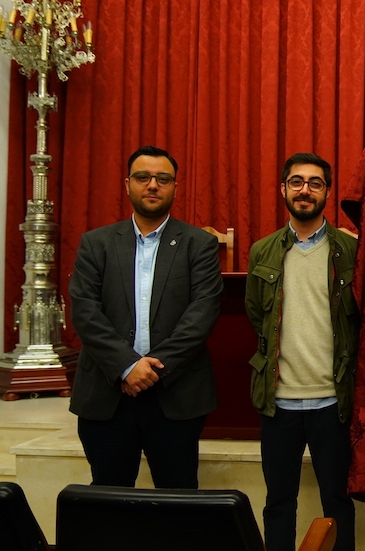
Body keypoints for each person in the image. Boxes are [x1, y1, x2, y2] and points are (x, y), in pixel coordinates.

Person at [68, 145, 223, 489]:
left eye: (162, 178)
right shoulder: (97, 244)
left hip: (175, 394)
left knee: (177, 502)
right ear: (128, 184)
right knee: (108, 501)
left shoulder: (199, 244)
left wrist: (152, 369)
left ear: (175, 187)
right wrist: (126, 365)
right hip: (108, 394)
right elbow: (85, 309)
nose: (152, 185)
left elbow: (203, 311)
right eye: (143, 177)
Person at [245, 153, 359, 551]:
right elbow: (256, 315)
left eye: (314, 183)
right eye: (296, 182)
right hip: (279, 403)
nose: (304, 190)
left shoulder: (349, 250)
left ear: (327, 192)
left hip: (334, 401)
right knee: (278, 503)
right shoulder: (263, 251)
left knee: (338, 503)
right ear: (283, 189)